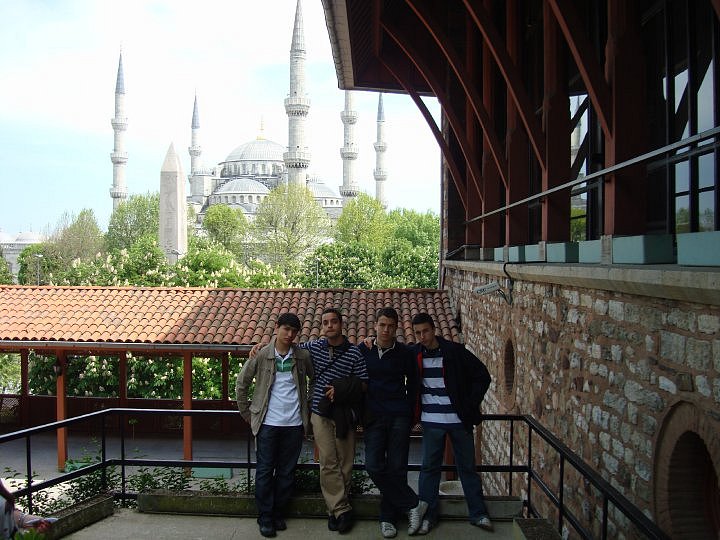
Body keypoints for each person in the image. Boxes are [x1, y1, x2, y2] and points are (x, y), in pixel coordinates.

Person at [409, 312, 493, 535]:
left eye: (425, 331)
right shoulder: (414, 353)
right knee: (429, 469)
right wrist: (369, 343)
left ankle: (478, 514)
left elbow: (483, 376)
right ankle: (429, 517)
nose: (422, 336)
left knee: (467, 468)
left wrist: (469, 404)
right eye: (418, 333)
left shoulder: (454, 351)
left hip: (458, 420)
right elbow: (391, 356)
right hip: (431, 421)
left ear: (433, 329)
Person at [236, 312, 314, 538]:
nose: (289, 334)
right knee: (264, 471)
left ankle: (279, 514)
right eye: (286, 329)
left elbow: (314, 379)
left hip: (294, 424)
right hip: (267, 424)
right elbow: (241, 383)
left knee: (286, 472)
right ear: (277, 328)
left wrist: (307, 406)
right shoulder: (261, 354)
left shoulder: (302, 356)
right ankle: (265, 517)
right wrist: (248, 413)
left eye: (294, 331)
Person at [359, 307, 425, 539]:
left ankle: (387, 519)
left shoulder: (405, 353)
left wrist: (411, 413)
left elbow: (414, 383)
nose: (386, 330)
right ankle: (413, 503)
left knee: (397, 468)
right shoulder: (363, 350)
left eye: (390, 326)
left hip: (399, 415)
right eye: (382, 325)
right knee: (373, 466)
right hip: (373, 416)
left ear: (396, 328)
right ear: (375, 325)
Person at [302, 308, 367, 534]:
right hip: (320, 412)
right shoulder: (314, 347)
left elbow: (364, 383)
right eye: (325, 322)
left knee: (345, 462)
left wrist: (342, 389)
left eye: (333, 322)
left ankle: (334, 510)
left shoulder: (354, 353)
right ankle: (342, 510)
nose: (329, 325)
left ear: (341, 324)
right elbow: (288, 346)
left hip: (344, 412)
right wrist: (262, 346)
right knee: (328, 461)